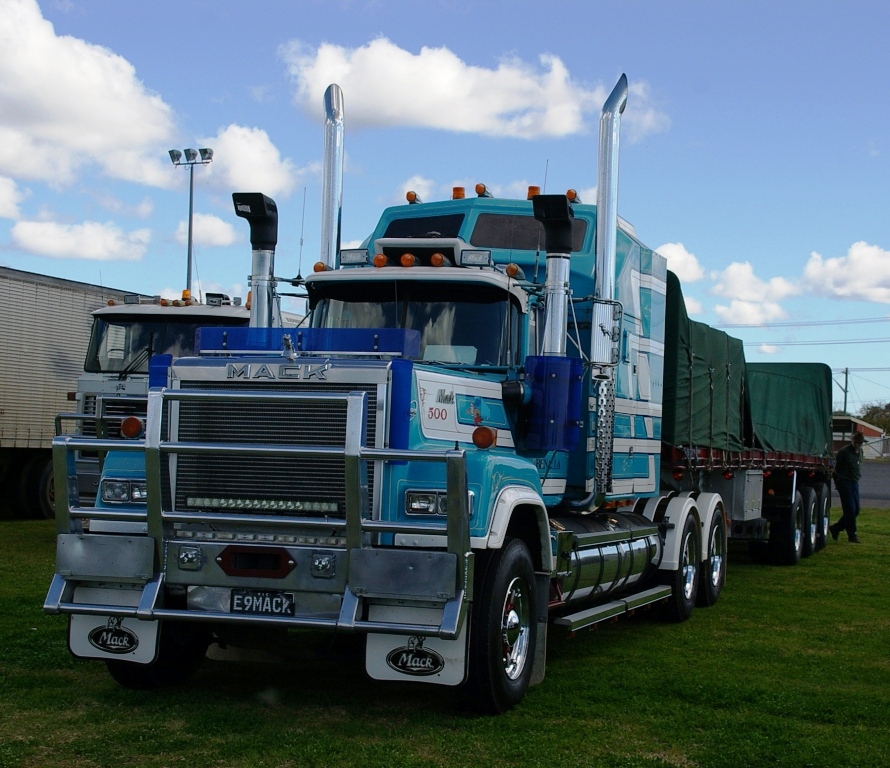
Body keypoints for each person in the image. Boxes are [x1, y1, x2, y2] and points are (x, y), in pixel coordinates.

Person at [830, 431, 865, 544]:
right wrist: (837, 482)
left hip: (854, 482)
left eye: (860, 443)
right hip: (844, 482)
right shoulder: (844, 452)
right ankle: (852, 535)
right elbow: (836, 469)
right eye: (857, 442)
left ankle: (836, 528)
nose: (858, 445)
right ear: (853, 441)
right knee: (850, 509)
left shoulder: (860, 452)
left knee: (856, 510)